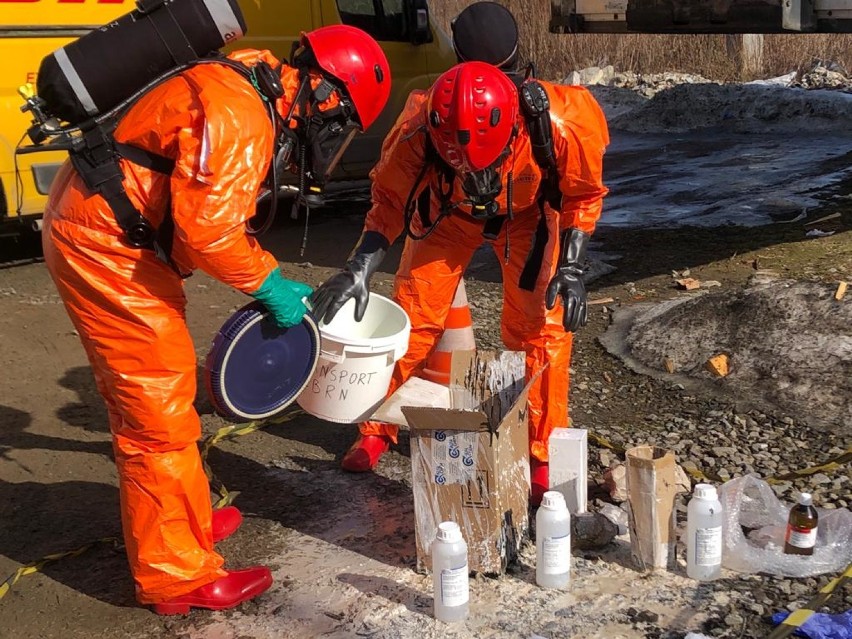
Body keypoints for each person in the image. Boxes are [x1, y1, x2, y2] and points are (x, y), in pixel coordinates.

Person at [41, 25, 390, 614]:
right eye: (338, 121)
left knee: (163, 397)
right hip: (107, 250)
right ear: (324, 92)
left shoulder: (249, 79)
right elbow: (209, 232)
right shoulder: (242, 113)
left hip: (118, 238)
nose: (327, 135)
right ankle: (175, 576)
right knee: (158, 415)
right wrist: (272, 283)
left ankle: (187, 519)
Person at [311, 57, 609, 506]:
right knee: (412, 318)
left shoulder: (562, 121)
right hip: (449, 215)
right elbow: (390, 199)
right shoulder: (415, 129)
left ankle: (541, 453)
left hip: (526, 218)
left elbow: (581, 193)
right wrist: (360, 266)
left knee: (542, 330)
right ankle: (375, 428)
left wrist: (570, 265)